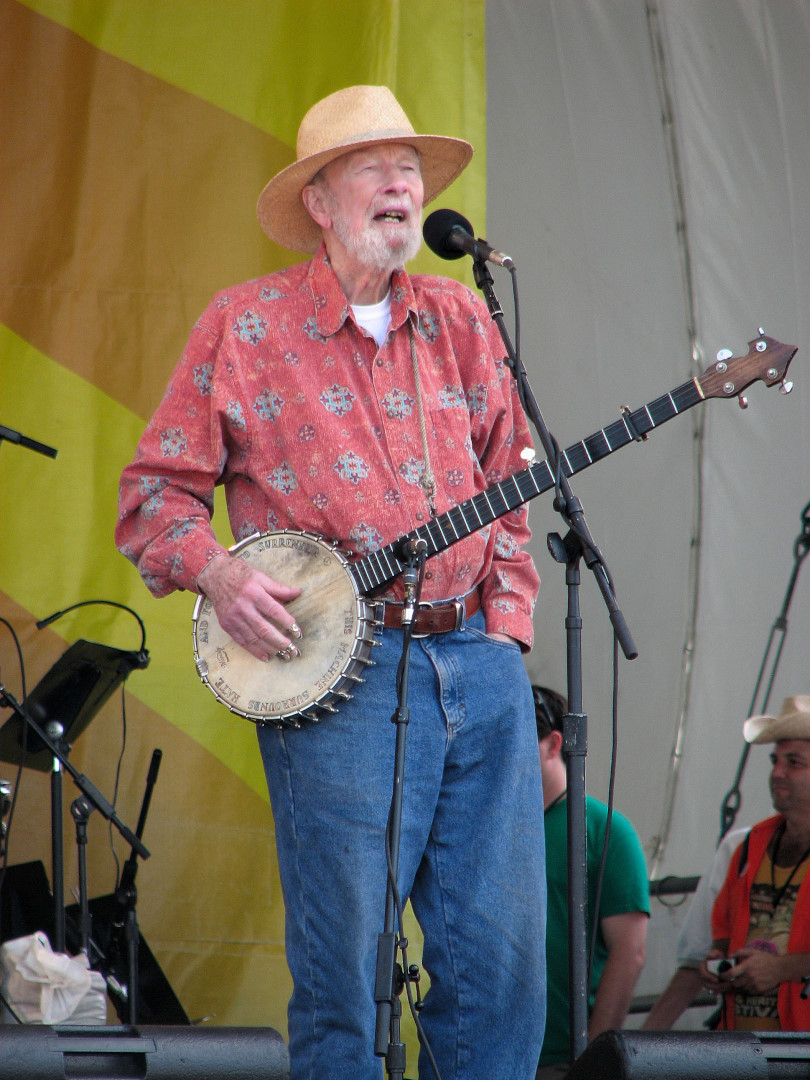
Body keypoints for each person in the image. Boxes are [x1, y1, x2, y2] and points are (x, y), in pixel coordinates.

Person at [116, 85, 546, 1080]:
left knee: (505, 972)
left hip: (477, 664)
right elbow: (153, 498)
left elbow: (512, 481)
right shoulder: (246, 326)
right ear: (318, 199)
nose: (403, 184)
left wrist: (508, 630)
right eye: (375, 167)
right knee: (346, 980)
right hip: (340, 677)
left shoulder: (464, 318)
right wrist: (219, 577)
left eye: (412, 169)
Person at [532, 686, 649, 1077]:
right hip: (488, 1050)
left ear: (553, 745)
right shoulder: (490, 826)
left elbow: (628, 954)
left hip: (563, 1059)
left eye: (517, 742)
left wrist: (592, 1063)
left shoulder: (606, 830)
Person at [700, 695, 810, 1031]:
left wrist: (781, 969)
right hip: (743, 1053)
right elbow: (722, 933)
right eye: (775, 760)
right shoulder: (750, 846)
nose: (777, 772)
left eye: (794, 762)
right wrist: (716, 963)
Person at [642, 826, 748, 1030]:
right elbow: (696, 963)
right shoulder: (741, 846)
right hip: (742, 1046)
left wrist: (781, 968)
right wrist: (637, 1052)